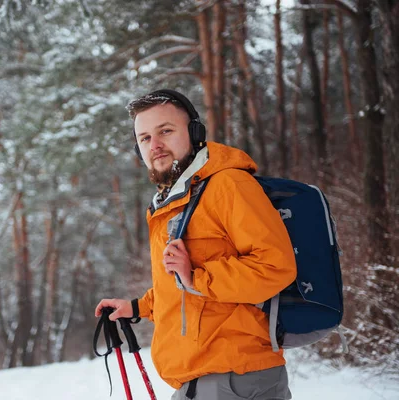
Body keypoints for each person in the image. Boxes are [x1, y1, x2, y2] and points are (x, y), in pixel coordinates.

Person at [95, 89, 297, 400]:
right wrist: (138, 307)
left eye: (165, 131)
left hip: (237, 379)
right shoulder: (174, 202)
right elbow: (184, 286)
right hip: (199, 382)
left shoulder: (228, 185)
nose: (155, 145)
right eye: (145, 138)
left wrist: (196, 277)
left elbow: (276, 266)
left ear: (194, 133)